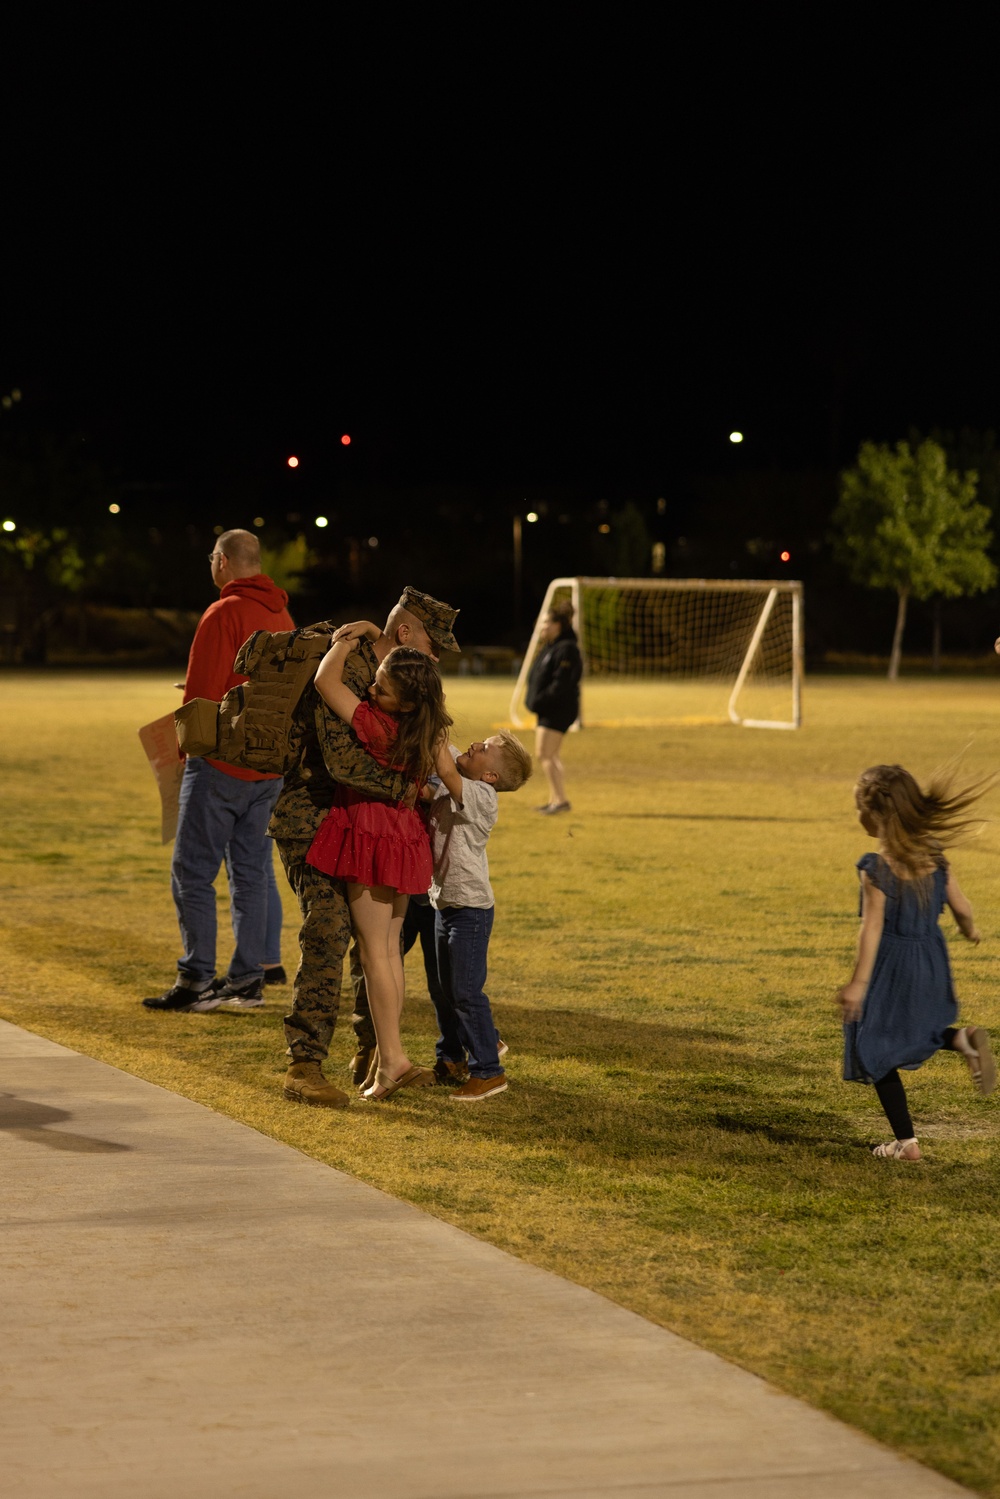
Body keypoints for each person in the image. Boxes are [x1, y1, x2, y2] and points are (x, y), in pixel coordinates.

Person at [270, 586, 460, 1108]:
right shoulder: (360, 676)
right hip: (313, 817)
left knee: (378, 946)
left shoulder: (393, 675)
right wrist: (413, 788)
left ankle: (376, 1053)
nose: (436, 660)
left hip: (368, 826)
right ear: (407, 634)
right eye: (433, 647)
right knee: (330, 932)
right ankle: (305, 1064)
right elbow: (345, 765)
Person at [143, 530, 295, 1013]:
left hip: (222, 762)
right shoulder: (281, 614)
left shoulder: (223, 612)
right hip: (267, 765)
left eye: (212, 557)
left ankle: (196, 979)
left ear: (223, 561)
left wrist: (186, 757)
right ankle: (249, 978)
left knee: (191, 873)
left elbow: (202, 697)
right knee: (250, 874)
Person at [837, 762, 997, 1161]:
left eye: (858, 807)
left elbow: (872, 929)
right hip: (930, 960)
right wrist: (969, 930)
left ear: (875, 814)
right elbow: (962, 906)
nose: (857, 814)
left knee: (874, 1045)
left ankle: (906, 1144)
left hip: (893, 966)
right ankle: (961, 1039)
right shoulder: (934, 857)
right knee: (916, 1030)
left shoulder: (877, 869)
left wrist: (858, 984)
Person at [425, 730, 533, 1100]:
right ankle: (466, 1050)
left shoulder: (481, 796)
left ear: (490, 776)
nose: (474, 745)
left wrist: (433, 720)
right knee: (446, 990)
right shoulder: (461, 781)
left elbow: (444, 764)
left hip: (469, 910)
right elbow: (440, 768)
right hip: (445, 903)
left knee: (466, 991)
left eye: (484, 749)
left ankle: (488, 1072)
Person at [525, 599, 582, 815]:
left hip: (557, 709)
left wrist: (540, 700)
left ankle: (561, 801)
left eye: (546, 622)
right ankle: (555, 799)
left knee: (544, 754)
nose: (542, 626)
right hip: (548, 709)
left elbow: (561, 684)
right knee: (550, 755)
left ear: (558, 625)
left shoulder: (567, 649)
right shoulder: (551, 647)